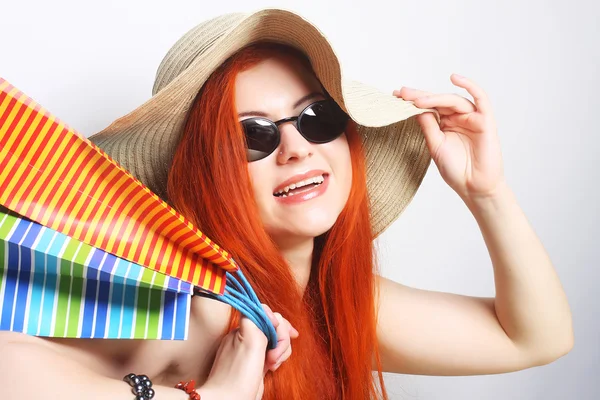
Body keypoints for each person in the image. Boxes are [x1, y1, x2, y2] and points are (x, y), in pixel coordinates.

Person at [0, 8, 574, 400]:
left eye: (316, 118)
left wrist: (485, 192)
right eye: (254, 135)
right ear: (206, 170)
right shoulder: (206, 309)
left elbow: (535, 339)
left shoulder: (331, 301)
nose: (298, 149)